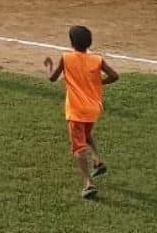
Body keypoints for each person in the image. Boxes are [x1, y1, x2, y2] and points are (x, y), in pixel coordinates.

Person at [44, 26, 120, 200]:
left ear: (72, 42)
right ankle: (97, 160)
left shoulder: (66, 58)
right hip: (93, 109)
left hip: (76, 110)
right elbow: (115, 76)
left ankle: (88, 183)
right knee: (86, 134)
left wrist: (48, 66)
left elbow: (52, 78)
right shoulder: (97, 60)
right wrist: (99, 82)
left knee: (78, 147)